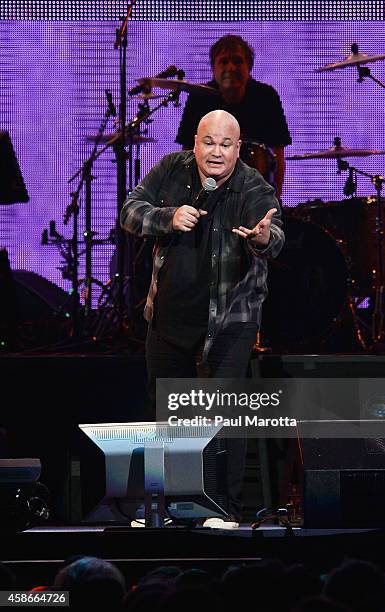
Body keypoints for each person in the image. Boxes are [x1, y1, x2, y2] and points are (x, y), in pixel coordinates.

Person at [120, 109, 284, 527]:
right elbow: (129, 210)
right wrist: (166, 217)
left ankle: (223, 509)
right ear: (194, 143)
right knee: (165, 408)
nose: (216, 152)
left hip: (232, 318)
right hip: (171, 312)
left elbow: (274, 235)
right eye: (208, 142)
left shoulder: (253, 185)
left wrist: (263, 238)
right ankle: (163, 506)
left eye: (226, 145)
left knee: (223, 412)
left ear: (237, 148)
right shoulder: (170, 170)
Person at [176, 34, 292, 200]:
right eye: (223, 62)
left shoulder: (266, 97)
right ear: (213, 69)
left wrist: (276, 201)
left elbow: (278, 155)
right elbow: (187, 153)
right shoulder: (199, 98)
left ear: (248, 68)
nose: (230, 67)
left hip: (256, 197)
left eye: (237, 61)